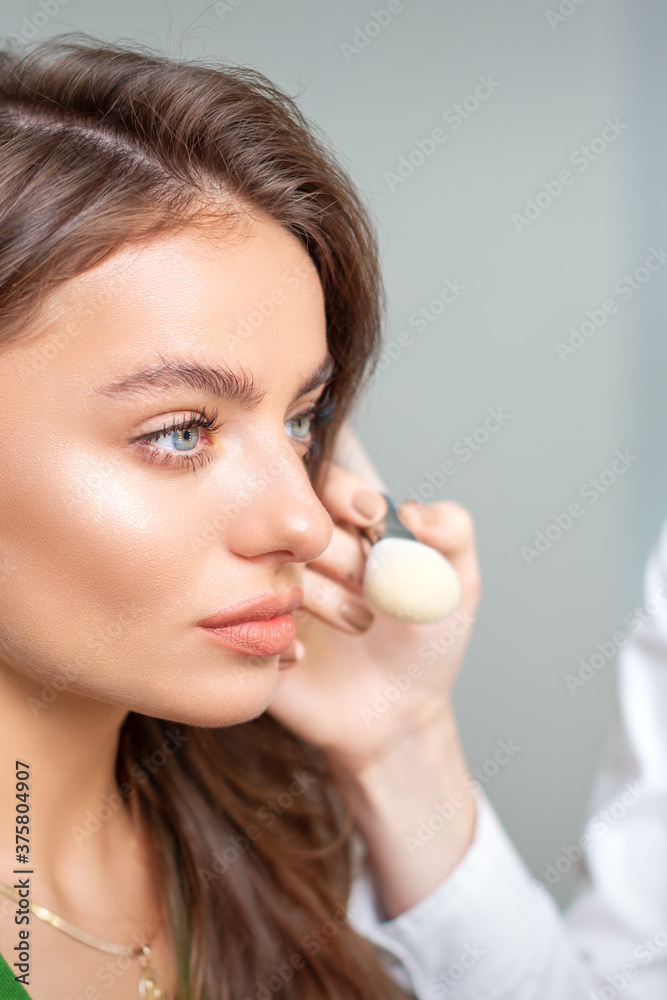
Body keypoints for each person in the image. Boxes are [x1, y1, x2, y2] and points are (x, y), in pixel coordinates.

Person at [0, 31, 496, 1000]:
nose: (303, 523)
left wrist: (396, 741)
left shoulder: (278, 854)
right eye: (182, 432)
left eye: (301, 419)